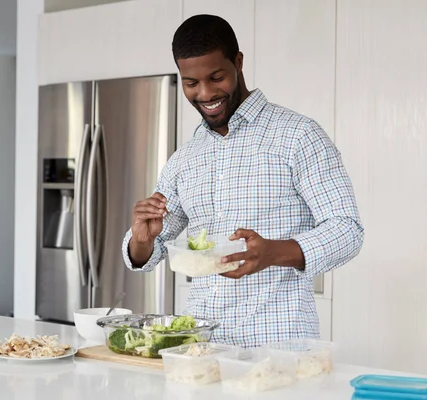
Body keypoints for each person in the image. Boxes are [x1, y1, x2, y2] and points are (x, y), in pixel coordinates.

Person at [122, 14, 364, 348]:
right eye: (191, 83)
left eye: (216, 77)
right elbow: (151, 251)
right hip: (200, 347)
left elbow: (347, 229)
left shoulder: (298, 136)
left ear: (238, 62)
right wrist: (142, 239)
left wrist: (273, 252)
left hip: (278, 348)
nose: (205, 93)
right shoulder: (184, 159)